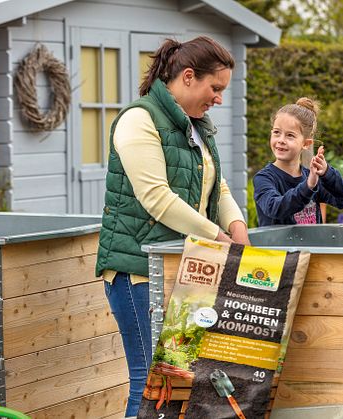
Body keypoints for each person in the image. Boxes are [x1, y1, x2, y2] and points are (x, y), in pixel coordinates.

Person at [94, 36, 250, 418]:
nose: (218, 98)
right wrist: (218, 236)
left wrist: (239, 229)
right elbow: (156, 198)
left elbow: (218, 186)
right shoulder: (138, 119)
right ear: (188, 76)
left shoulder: (195, 125)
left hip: (186, 269)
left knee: (176, 381)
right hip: (136, 274)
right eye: (215, 88)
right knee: (149, 383)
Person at [254, 97, 343, 226]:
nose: (281, 140)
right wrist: (307, 187)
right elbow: (275, 208)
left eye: (290, 135)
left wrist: (327, 173)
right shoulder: (264, 178)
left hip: (312, 247)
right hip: (277, 247)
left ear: (306, 144)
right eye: (277, 132)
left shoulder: (311, 177)